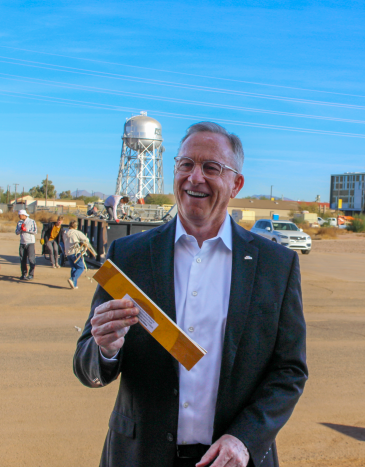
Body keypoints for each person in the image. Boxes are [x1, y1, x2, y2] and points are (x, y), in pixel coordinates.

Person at [74, 122, 308, 467]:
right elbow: (86, 364)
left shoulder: (276, 265)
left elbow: (289, 370)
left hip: (232, 460)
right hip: (140, 457)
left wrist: (246, 438)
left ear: (236, 184)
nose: (195, 177)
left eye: (211, 168)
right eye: (186, 164)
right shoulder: (128, 256)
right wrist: (105, 349)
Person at [63, 219, 91, 289]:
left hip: (68, 253)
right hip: (76, 252)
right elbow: (86, 239)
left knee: (74, 268)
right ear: (76, 226)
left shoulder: (65, 232)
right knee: (81, 267)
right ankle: (72, 279)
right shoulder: (77, 232)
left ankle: (74, 285)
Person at [16, 209, 37, 281]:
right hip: (22, 243)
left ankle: (31, 274)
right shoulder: (19, 222)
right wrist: (21, 230)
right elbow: (17, 232)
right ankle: (24, 274)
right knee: (22, 259)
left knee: (31, 259)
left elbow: (35, 231)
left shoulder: (31, 221)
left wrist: (26, 230)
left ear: (23, 215)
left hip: (30, 242)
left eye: (20, 215)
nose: (19, 216)